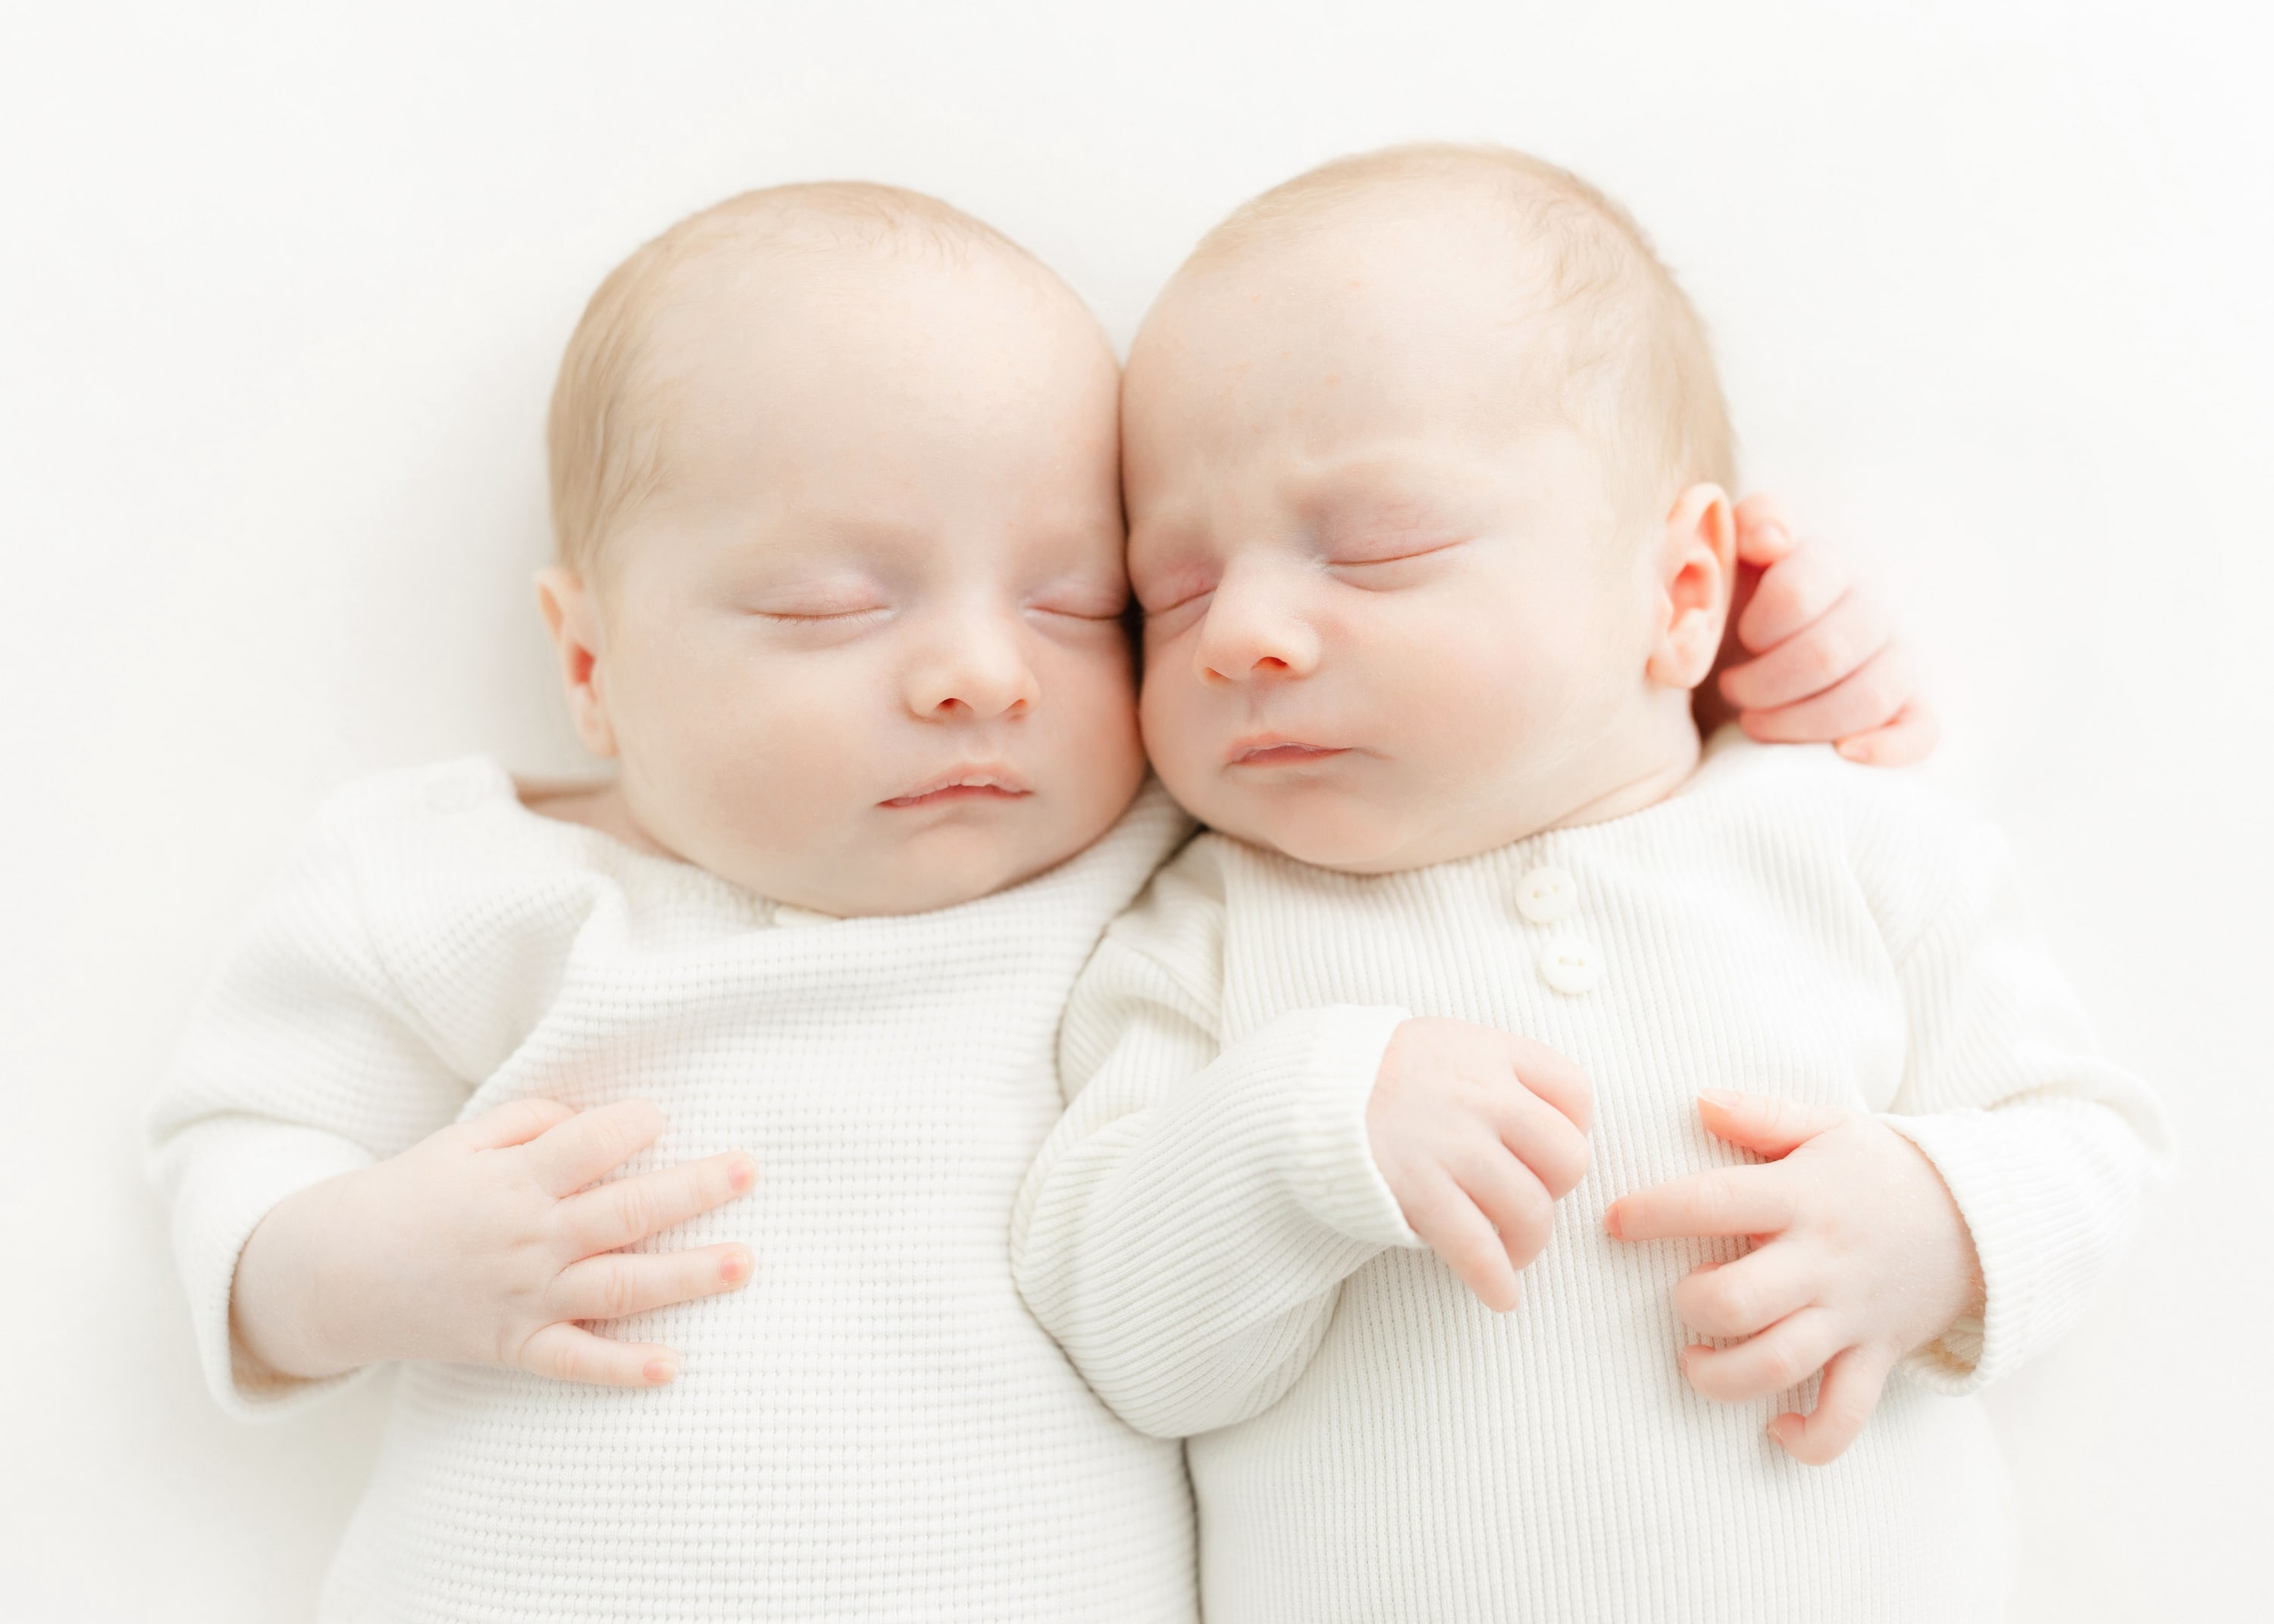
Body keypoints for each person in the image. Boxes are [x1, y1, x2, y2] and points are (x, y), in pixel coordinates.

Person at [148, 177, 1929, 1622]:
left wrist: (1752, 641)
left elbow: (1488, 734)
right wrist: (363, 1261)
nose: (978, 680)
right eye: (830, 606)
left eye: (1086, 609)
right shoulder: (483, 884)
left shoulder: (1158, 863)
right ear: (591, 656)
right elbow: (237, 1152)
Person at [1010, 143, 2166, 1623]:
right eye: (1169, 591)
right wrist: (1299, 1129)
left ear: (1681, 591)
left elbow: (2090, 1142)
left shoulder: (1848, 843)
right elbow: (1121, 1336)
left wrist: (1942, 1225)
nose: (1242, 632)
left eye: (1372, 548)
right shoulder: (1210, 935)